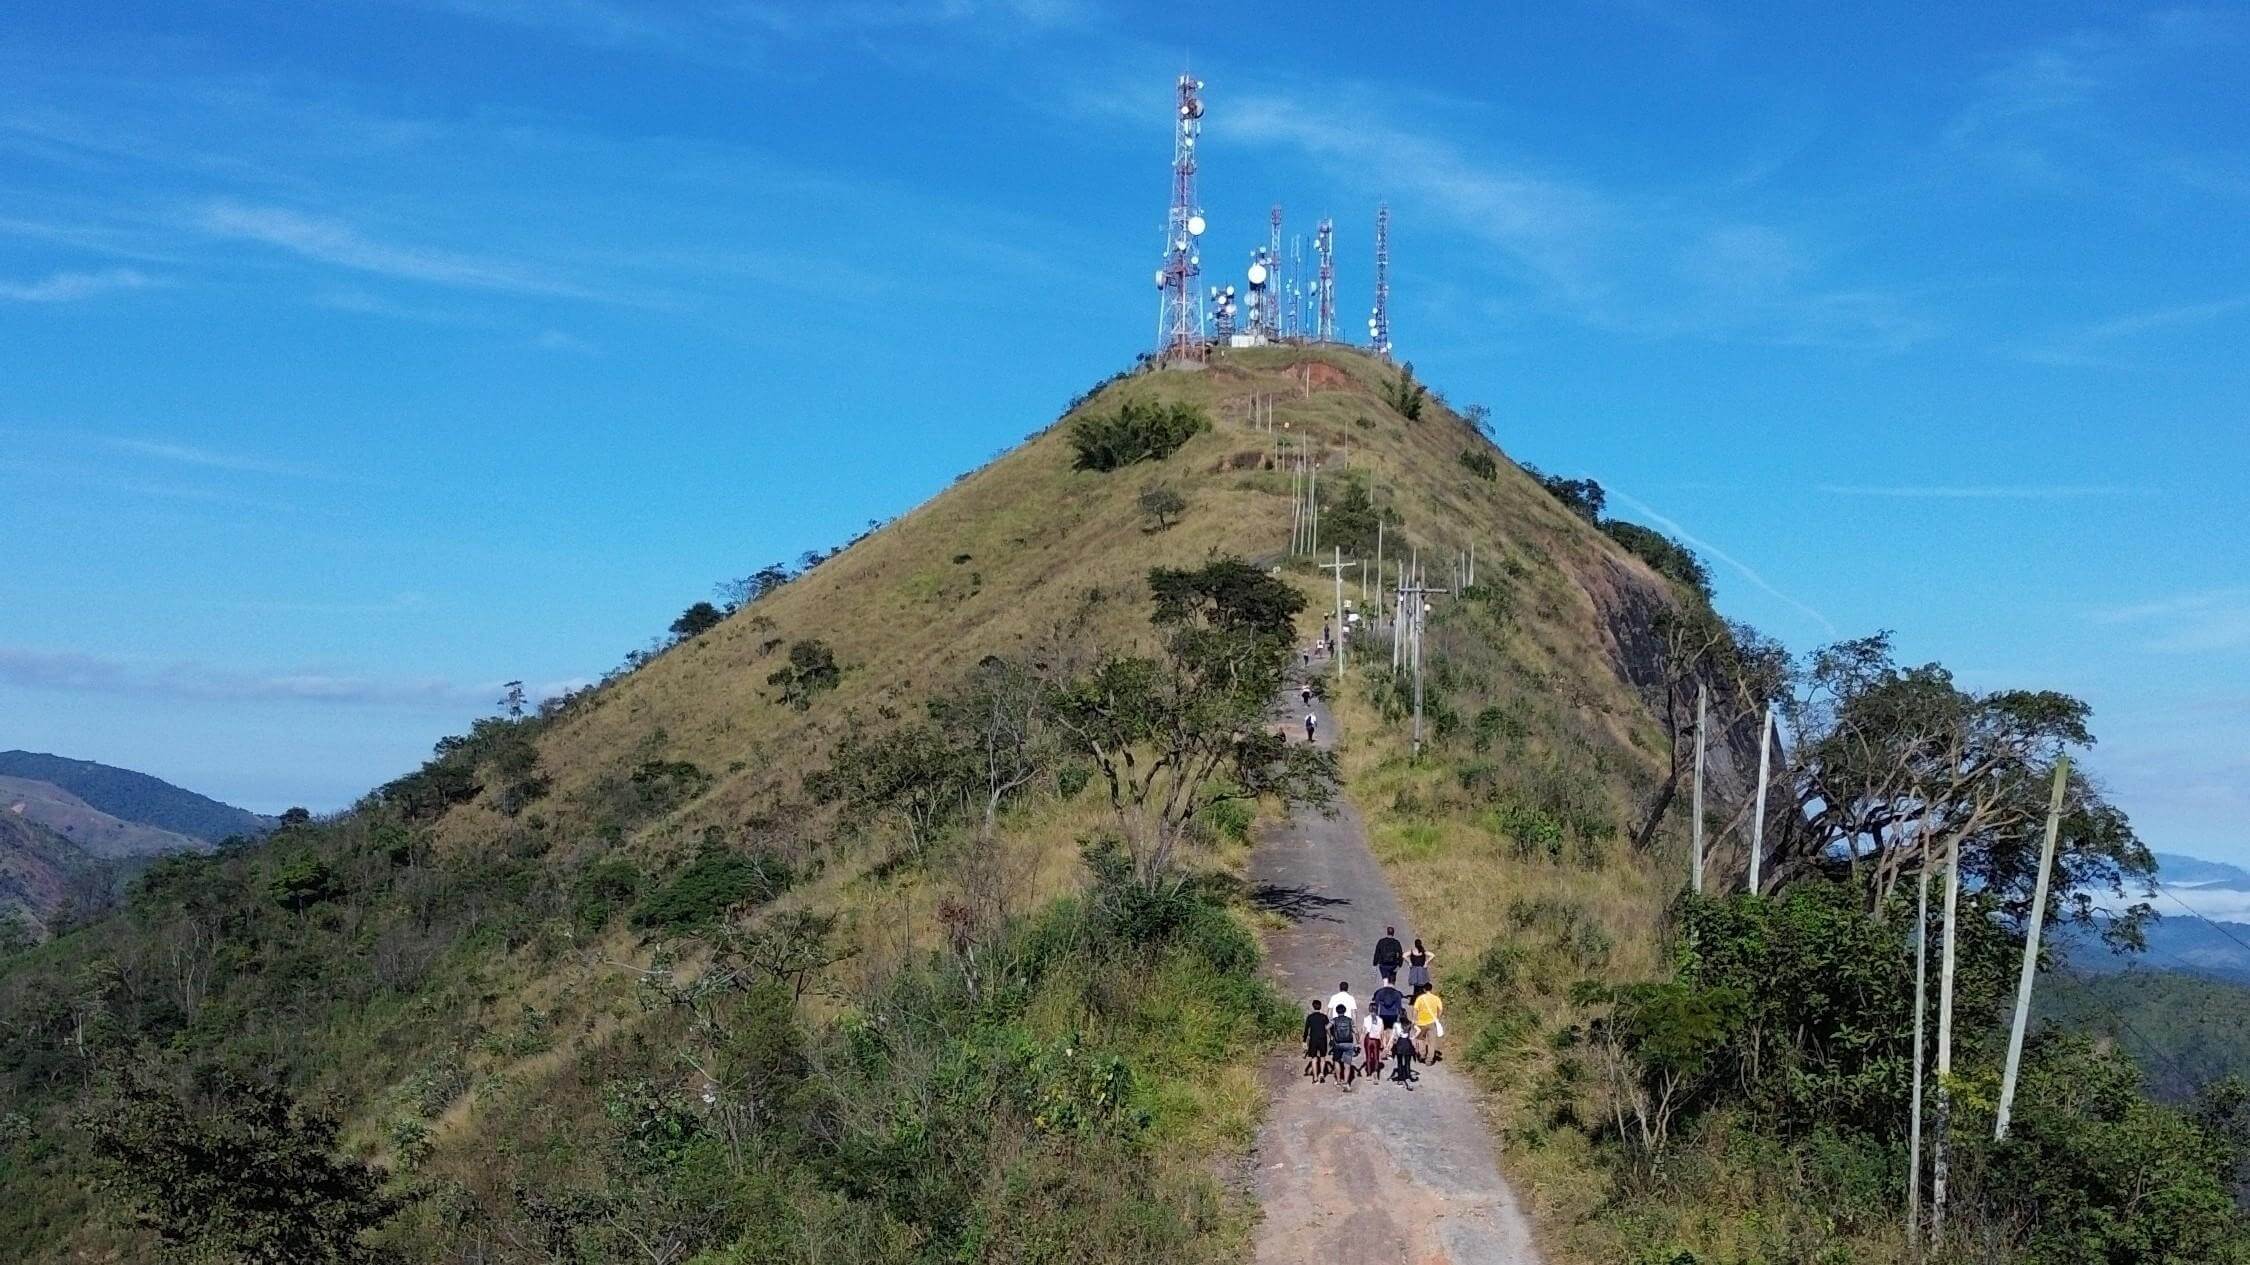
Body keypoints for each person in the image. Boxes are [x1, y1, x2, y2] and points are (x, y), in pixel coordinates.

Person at [1328, 1005, 1359, 1091]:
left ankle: (1338, 1081)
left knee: (1337, 1061)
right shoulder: (1349, 1020)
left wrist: (1331, 1037)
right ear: (1345, 1011)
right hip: (1348, 1043)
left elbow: (1326, 1027)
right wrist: (1358, 1042)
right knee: (1347, 1064)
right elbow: (1356, 1032)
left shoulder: (1334, 1020)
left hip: (1338, 1043)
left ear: (1337, 1011)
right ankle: (1346, 1082)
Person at [1412, 985, 1445, 1064]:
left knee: (1421, 1039)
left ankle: (1422, 1054)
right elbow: (1440, 1010)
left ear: (1424, 989)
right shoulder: (1436, 998)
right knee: (1431, 1042)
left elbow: (1415, 1010)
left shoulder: (1420, 998)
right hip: (1431, 1023)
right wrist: (1437, 1017)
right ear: (1431, 989)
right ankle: (1429, 1060)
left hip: (1421, 1023)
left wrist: (1414, 1020)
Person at [1302, 999, 1329, 1078]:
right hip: (1322, 1039)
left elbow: (1306, 1030)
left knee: (1314, 1059)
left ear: (1313, 1007)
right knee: (1323, 1057)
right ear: (1320, 1007)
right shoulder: (1324, 1017)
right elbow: (1328, 1028)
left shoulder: (1310, 1017)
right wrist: (1331, 1037)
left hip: (1313, 1040)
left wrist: (1304, 1041)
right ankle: (1321, 1073)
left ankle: (1315, 1078)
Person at [1361, 1010, 1384, 1077]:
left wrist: (1361, 1039)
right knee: (1376, 1056)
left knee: (1368, 1057)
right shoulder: (1380, 1019)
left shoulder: (1366, 1019)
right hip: (1376, 1039)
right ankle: (1376, 1073)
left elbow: (1363, 1030)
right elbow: (1381, 1032)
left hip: (1368, 1039)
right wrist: (1382, 1042)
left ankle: (1368, 1074)